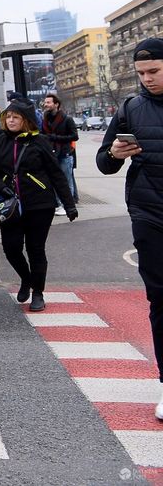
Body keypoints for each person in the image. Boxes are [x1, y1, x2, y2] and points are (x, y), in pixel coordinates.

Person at [96, 37, 163, 418]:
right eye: (141, 73)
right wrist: (113, 154)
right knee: (160, 301)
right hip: (149, 213)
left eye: (153, 71)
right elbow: (104, 162)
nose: (146, 79)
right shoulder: (130, 108)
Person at [0, 98, 77, 312]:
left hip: (39, 204)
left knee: (36, 250)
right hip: (9, 206)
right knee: (11, 248)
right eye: (8, 116)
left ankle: (38, 293)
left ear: (26, 120)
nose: (10, 120)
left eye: (15, 117)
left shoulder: (40, 141)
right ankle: (26, 279)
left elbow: (56, 173)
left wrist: (69, 204)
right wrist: (1, 187)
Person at [41, 93, 80, 208]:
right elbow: (43, 134)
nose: (46, 104)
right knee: (55, 181)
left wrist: (55, 138)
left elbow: (74, 136)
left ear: (56, 104)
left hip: (64, 154)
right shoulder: (45, 119)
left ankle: (68, 205)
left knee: (67, 181)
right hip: (51, 154)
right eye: (45, 102)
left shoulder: (67, 119)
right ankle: (58, 204)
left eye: (48, 102)